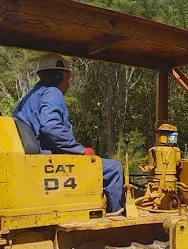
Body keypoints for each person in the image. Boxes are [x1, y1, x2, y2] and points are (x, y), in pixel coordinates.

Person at [13, 53, 124, 213]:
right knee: (114, 168)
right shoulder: (52, 93)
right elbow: (51, 128)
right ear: (58, 76)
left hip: (35, 159)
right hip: (48, 160)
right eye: (67, 78)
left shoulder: (31, 96)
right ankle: (117, 216)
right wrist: (79, 150)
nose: (68, 83)